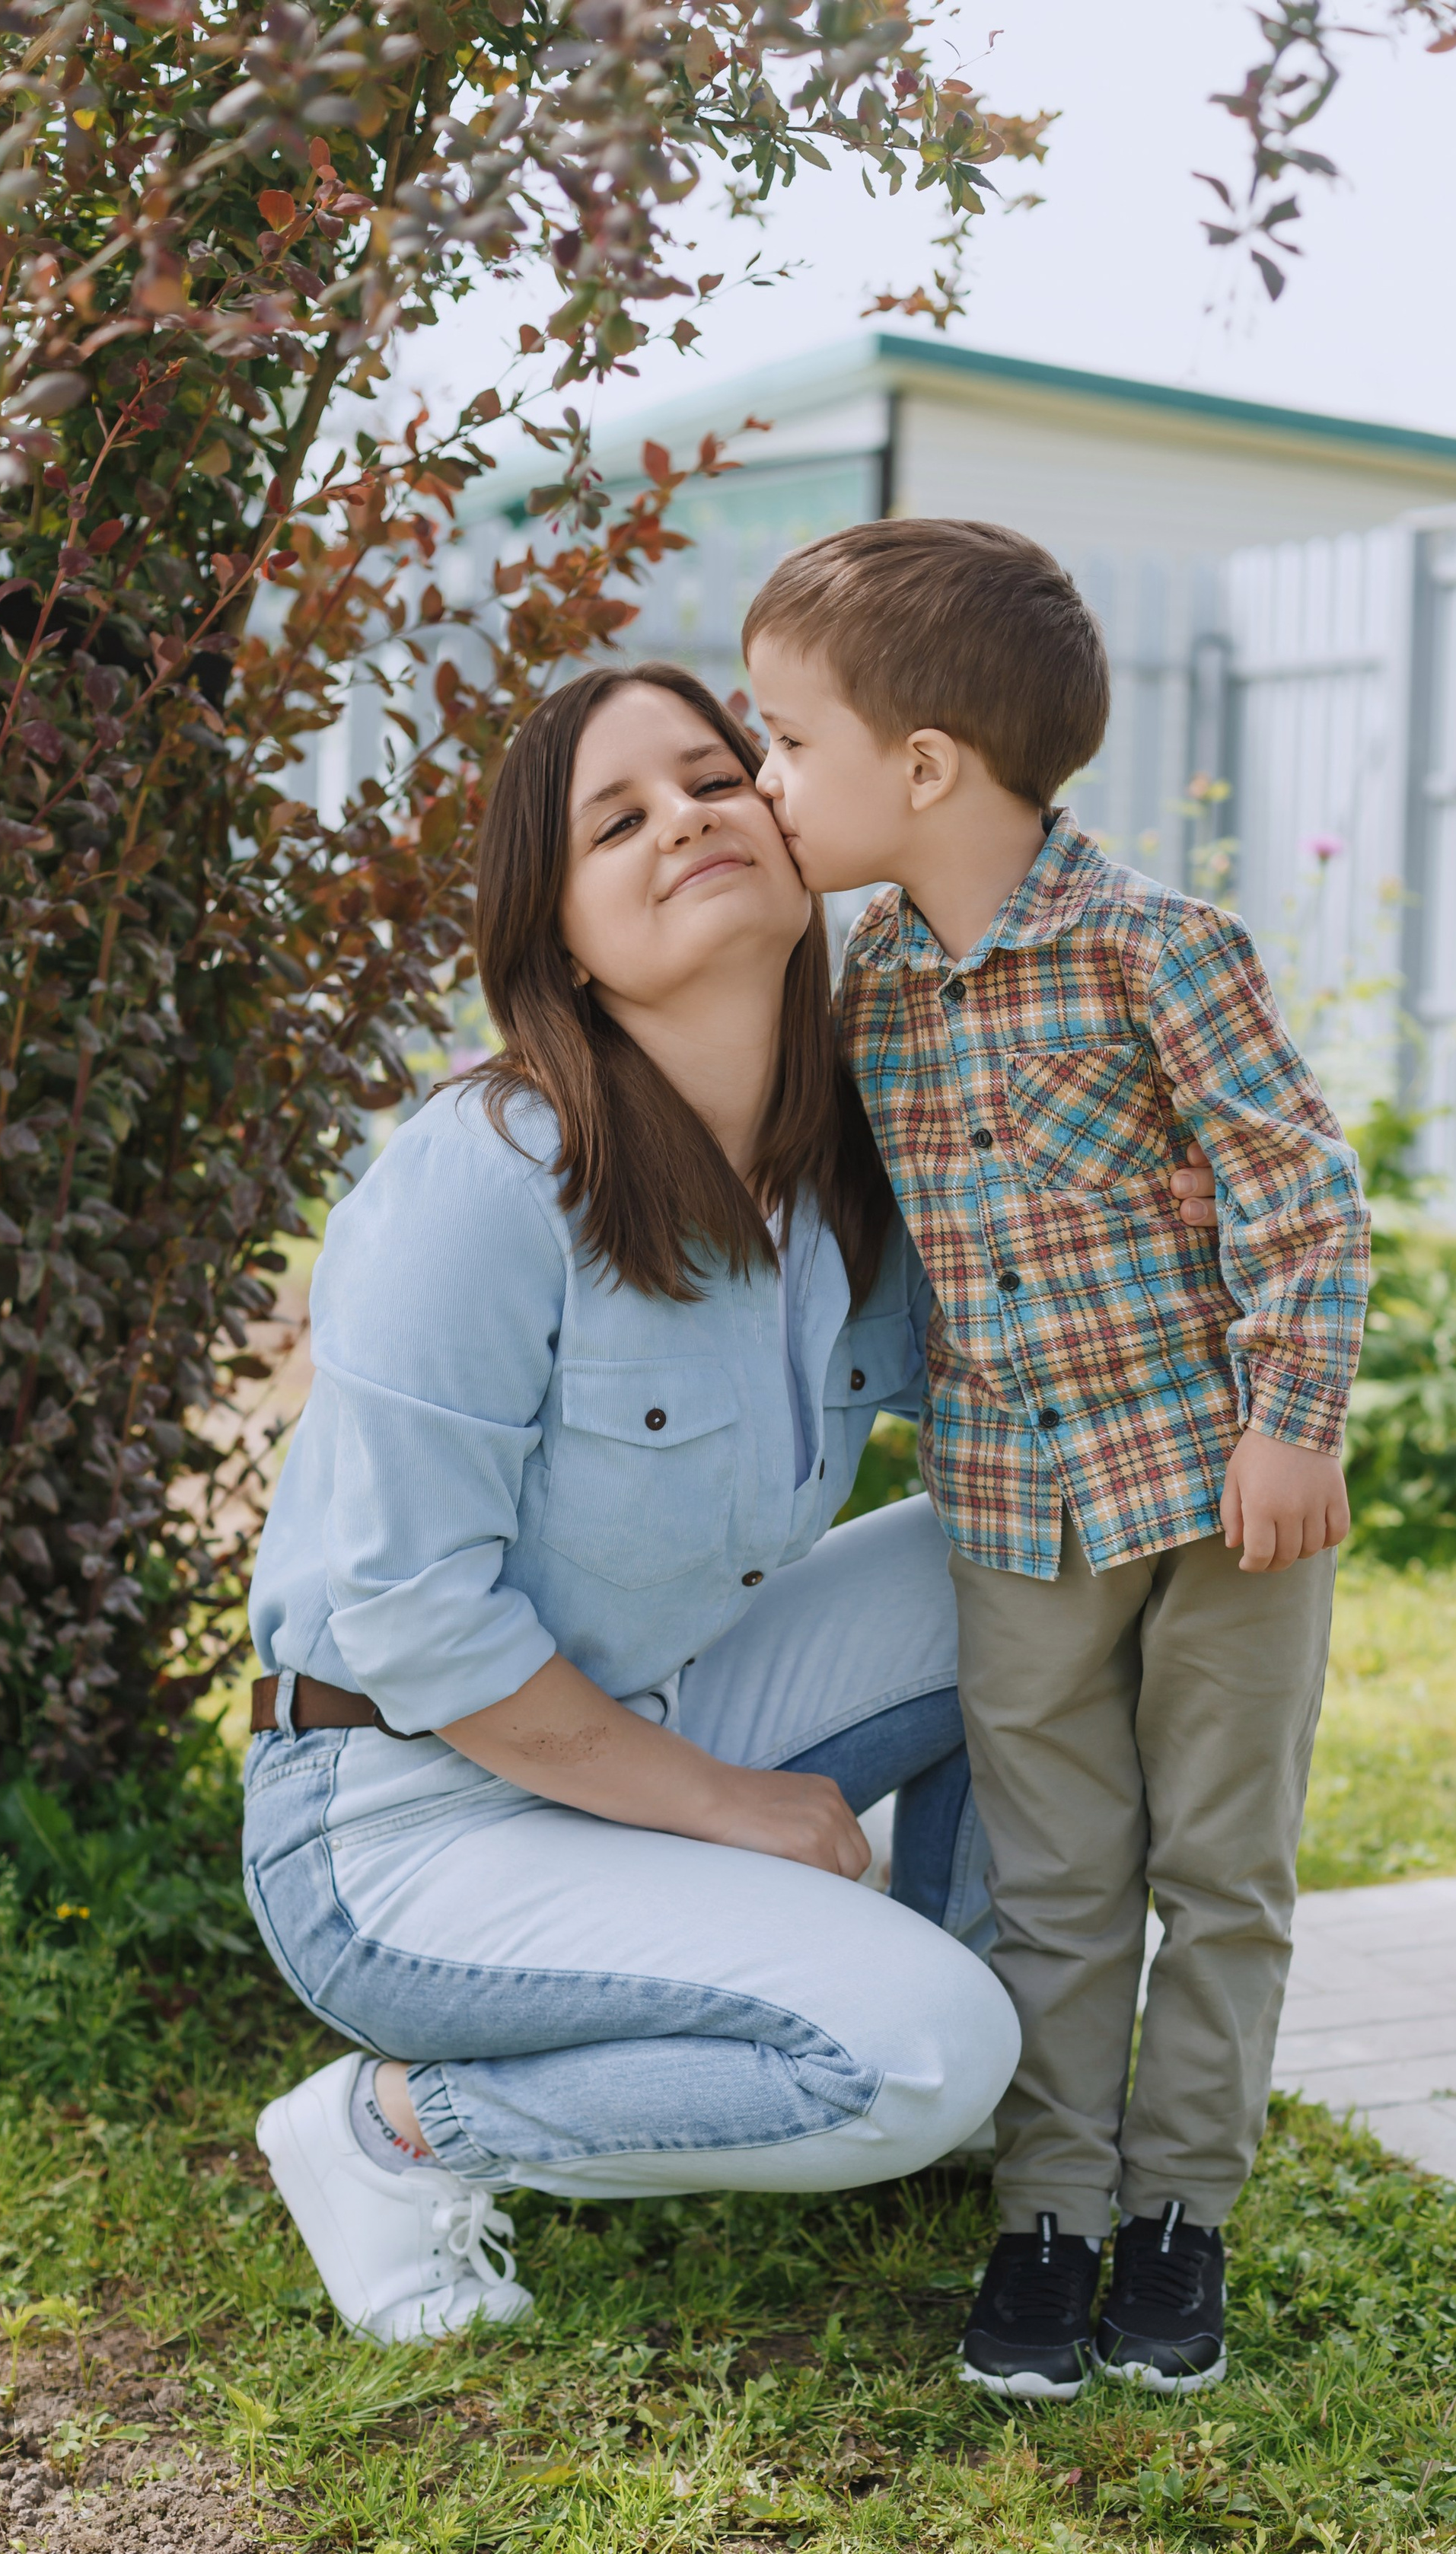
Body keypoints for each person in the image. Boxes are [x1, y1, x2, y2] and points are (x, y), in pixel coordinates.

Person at [241, 658, 1216, 2348]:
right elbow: (411, 1616)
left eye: (712, 778)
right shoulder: (483, 1177)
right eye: (617, 819)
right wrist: (730, 1808)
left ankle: (936, 2007)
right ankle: (389, 2134)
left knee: (1046, 1537)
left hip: (657, 1708)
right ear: (558, 938)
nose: (686, 817)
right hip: (401, 1819)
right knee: (916, 2051)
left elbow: (1038, 1386)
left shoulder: (852, 1153)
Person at [744, 521, 1372, 2402]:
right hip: (1013, 1512)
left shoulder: (1156, 949)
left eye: (784, 741)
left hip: (1219, 1502)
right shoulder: (869, 984)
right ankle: (1049, 2216)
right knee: (1055, 1875)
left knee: (1222, 1866)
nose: (764, 781)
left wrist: (1291, 1422)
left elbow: (1304, 1199)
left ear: (918, 764)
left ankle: (1179, 2213)